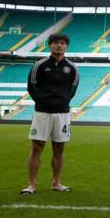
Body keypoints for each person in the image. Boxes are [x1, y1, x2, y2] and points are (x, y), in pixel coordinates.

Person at [21, 33, 79, 195]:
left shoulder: (72, 68)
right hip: (42, 112)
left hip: (62, 113)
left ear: (66, 46)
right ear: (50, 45)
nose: (59, 46)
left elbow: (73, 89)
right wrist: (42, 101)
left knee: (59, 149)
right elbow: (32, 87)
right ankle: (31, 185)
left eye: (62, 43)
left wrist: (62, 101)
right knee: (36, 147)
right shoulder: (39, 65)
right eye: (55, 43)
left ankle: (56, 183)